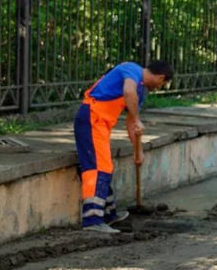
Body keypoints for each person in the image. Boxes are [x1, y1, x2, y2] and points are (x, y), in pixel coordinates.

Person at [74, 60, 174, 232]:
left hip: (100, 124)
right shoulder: (132, 70)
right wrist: (136, 119)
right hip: (91, 118)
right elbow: (128, 92)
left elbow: (131, 124)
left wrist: (138, 152)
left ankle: (109, 215)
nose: (159, 87)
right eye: (162, 84)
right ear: (160, 77)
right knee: (98, 169)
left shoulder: (140, 91)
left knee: (105, 167)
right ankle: (92, 221)